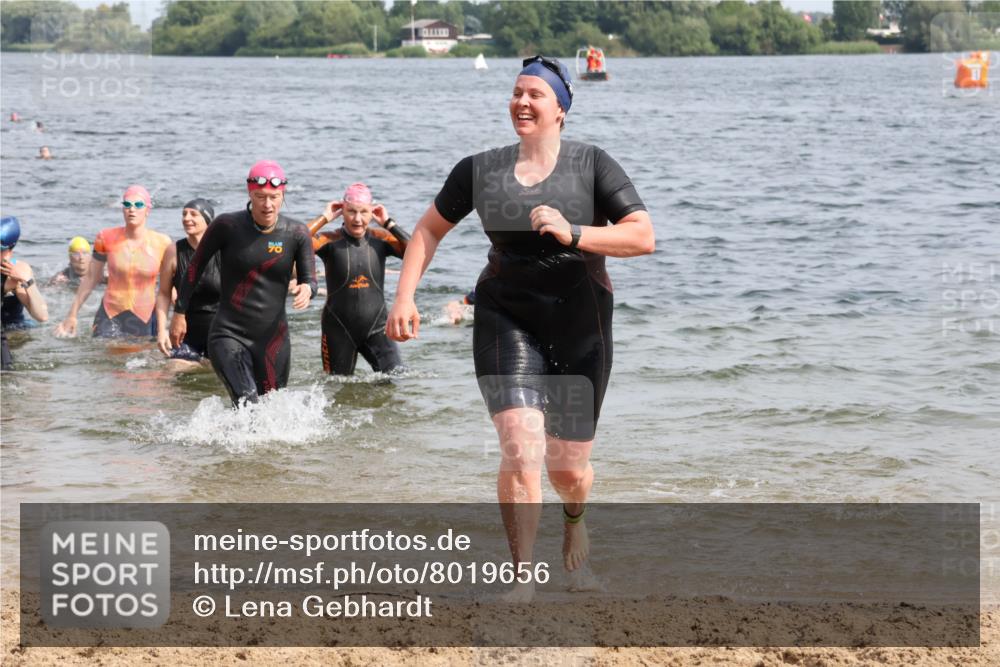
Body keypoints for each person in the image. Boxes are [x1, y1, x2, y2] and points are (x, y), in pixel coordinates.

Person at [386, 55, 654, 601]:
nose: (522, 102)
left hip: (581, 325)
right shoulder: (479, 170)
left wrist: (574, 232)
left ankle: (575, 518)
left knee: (568, 471)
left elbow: (641, 236)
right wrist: (405, 296)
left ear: (561, 109)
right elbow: (428, 230)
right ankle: (522, 579)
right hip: (506, 317)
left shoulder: (592, 165)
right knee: (520, 444)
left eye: (535, 94)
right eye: (516, 92)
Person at [169, 161, 316, 406]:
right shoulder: (227, 226)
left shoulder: (297, 232)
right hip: (229, 333)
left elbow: (309, 278)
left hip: (273, 339)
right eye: (260, 197)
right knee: (247, 403)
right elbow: (194, 268)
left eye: (274, 197)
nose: (267, 204)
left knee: (272, 409)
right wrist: (179, 313)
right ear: (250, 193)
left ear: (283, 195)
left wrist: (307, 288)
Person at [308, 182, 409, 375]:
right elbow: (294, 241)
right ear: (342, 211)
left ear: (372, 212)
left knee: (398, 377)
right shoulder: (329, 240)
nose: (357, 219)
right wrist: (324, 218)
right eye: (351, 211)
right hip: (337, 330)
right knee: (338, 386)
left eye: (364, 212)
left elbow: (414, 251)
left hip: (378, 328)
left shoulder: (380, 238)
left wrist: (388, 223)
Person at [54, 185, 171, 339]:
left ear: (148, 210)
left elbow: (170, 288)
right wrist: (72, 315)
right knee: (105, 352)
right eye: (127, 205)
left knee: (142, 353)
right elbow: (91, 277)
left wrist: (177, 320)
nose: (132, 209)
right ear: (122, 209)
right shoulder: (105, 237)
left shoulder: (162, 243)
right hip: (110, 314)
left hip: (146, 316)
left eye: (138, 205)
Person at [155, 198, 220, 368]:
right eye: (184, 214)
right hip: (186, 333)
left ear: (207, 220)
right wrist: (162, 331)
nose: (186, 218)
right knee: (173, 368)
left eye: (193, 214)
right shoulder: (173, 251)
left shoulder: (223, 250)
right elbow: (163, 294)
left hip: (221, 332)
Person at [1, 216, 50, 369]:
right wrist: (4, 288)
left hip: (15, 329)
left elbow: (42, 315)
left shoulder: (19, 270)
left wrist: (27, 281)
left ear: (9, 251)